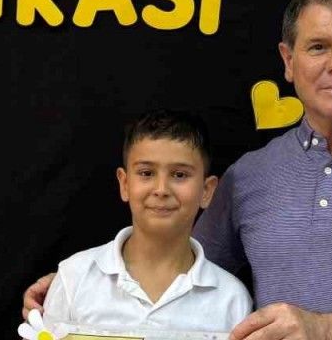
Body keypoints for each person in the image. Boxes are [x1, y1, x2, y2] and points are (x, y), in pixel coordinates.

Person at [26, 0, 332, 340]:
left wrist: (322, 329)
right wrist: (85, 280)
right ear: (289, 61)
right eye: (318, 47)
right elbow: (183, 271)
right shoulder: (250, 175)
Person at [38, 110, 252, 334]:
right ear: (124, 184)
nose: (161, 189)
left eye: (179, 175)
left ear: (206, 191)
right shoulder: (74, 278)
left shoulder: (232, 300)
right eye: (146, 173)